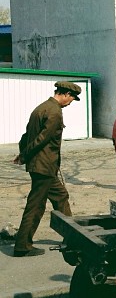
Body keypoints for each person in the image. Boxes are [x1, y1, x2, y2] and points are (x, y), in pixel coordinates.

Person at [12, 81, 82, 257]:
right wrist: (24, 156)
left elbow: (26, 136)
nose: (70, 103)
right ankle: (22, 246)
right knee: (35, 206)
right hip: (44, 166)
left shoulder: (41, 108)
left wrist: (24, 153)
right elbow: (42, 139)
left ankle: (72, 237)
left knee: (61, 196)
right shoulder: (55, 111)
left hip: (42, 165)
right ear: (65, 94)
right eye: (72, 99)